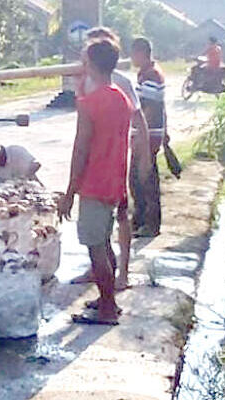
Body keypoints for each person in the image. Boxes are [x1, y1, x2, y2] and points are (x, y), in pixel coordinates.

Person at [58, 38, 133, 325]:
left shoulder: (91, 104)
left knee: (95, 248)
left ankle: (107, 309)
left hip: (94, 182)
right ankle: (106, 299)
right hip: (113, 181)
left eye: (83, 61)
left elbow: (81, 148)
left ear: (90, 64)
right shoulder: (119, 97)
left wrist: (69, 191)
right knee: (103, 241)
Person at [72, 27, 151, 290]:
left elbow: (81, 145)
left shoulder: (119, 85)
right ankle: (100, 277)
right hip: (105, 170)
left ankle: (118, 280)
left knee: (110, 226)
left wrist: (144, 156)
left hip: (104, 173)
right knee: (100, 236)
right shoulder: (89, 85)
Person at [130, 37, 168, 238]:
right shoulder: (146, 74)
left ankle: (149, 223)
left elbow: (151, 108)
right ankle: (140, 220)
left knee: (143, 179)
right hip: (149, 132)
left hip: (148, 134)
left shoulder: (151, 76)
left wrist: (140, 135)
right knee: (139, 179)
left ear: (141, 53)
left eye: (133, 53)